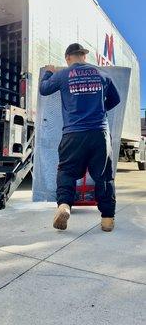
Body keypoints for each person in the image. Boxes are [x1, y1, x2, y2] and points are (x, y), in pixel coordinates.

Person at [39, 43, 120, 232]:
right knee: (104, 177)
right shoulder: (102, 75)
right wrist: (99, 111)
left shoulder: (62, 75)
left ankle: (64, 206)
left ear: (68, 58)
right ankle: (107, 219)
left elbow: (44, 89)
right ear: (84, 56)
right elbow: (115, 99)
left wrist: (49, 72)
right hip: (99, 134)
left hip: (73, 134)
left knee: (66, 172)